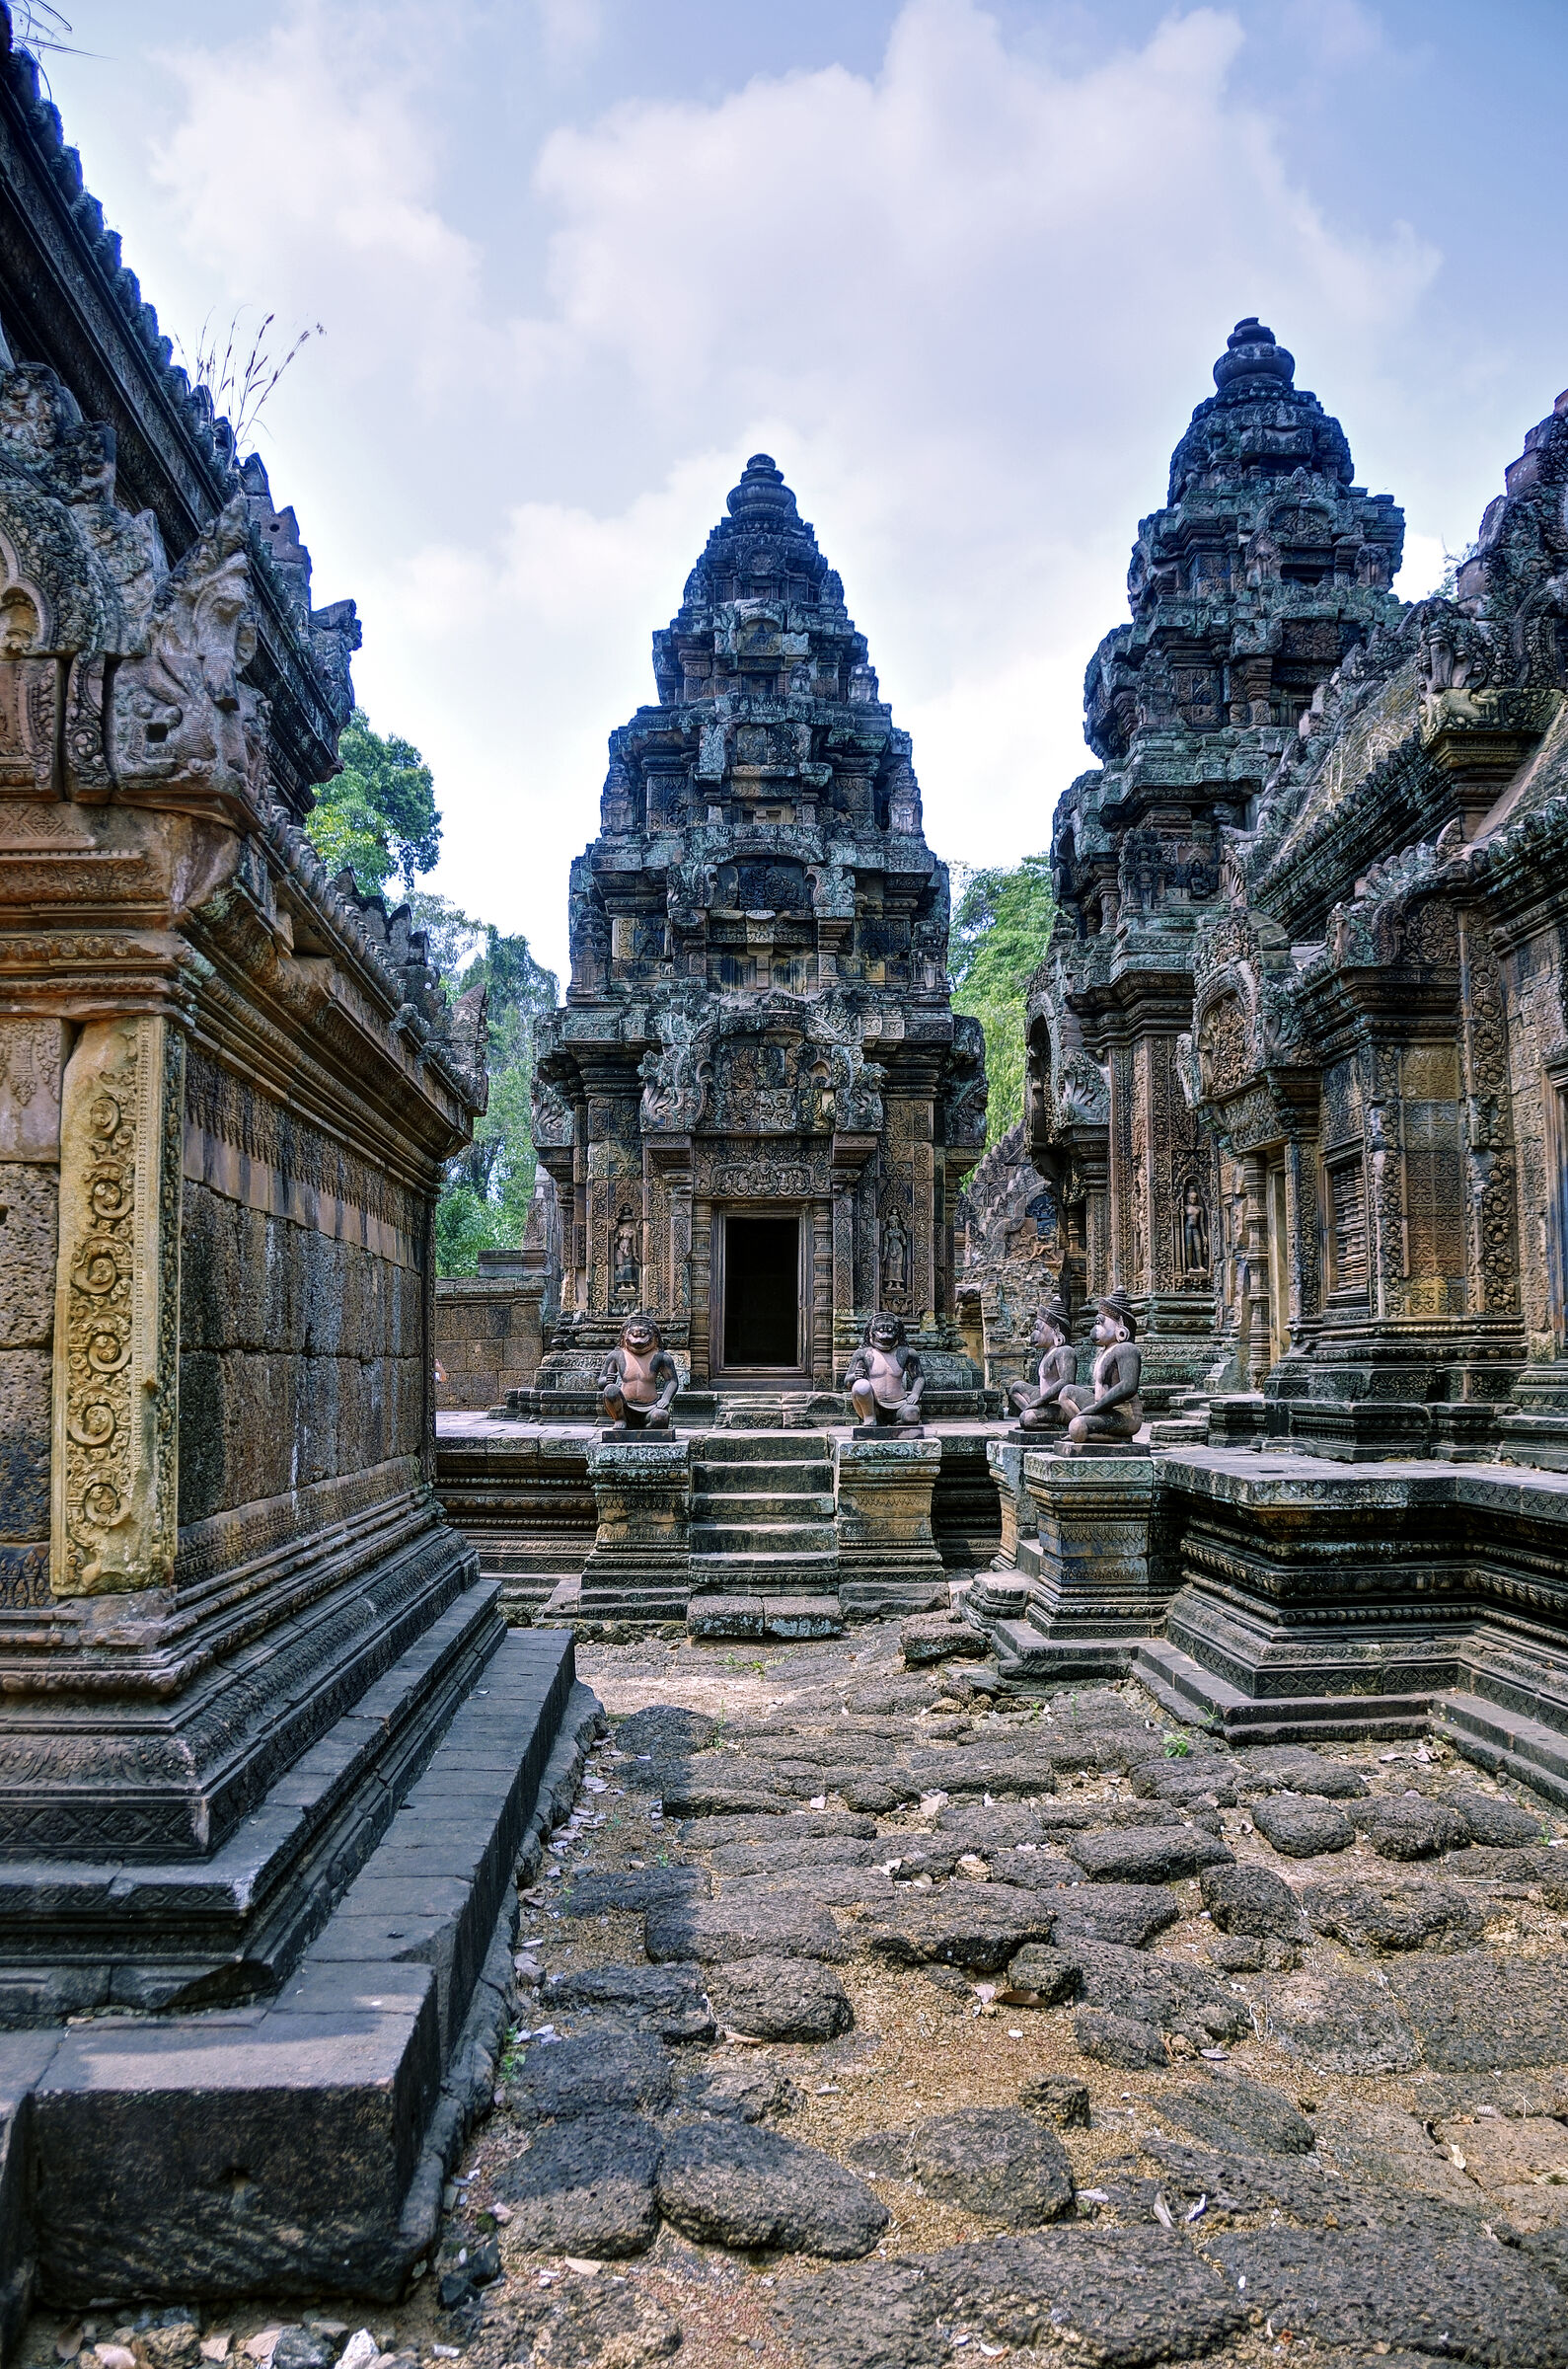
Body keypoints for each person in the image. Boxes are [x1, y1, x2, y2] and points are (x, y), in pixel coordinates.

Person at [1059, 1288, 1144, 1445]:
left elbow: (1129, 1387)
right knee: (1066, 1392)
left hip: (1124, 1414)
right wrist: (1095, 1408)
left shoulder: (1126, 1349)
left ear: (1120, 1326)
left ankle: (1113, 1436)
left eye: (1100, 1322)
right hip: (1104, 1408)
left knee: (1077, 1427)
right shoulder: (1104, 1351)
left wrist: (1095, 1409)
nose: (1095, 1328)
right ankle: (1091, 1431)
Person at [598, 1312, 680, 1437]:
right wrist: (606, 1381)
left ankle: (643, 1427)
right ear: (624, 1335)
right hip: (623, 1407)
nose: (638, 1341)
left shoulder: (661, 1357)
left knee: (661, 1417)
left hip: (651, 1408)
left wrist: (665, 1398)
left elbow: (672, 1380)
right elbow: (601, 1382)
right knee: (610, 1390)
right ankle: (620, 1419)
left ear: (654, 1337)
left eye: (643, 1335)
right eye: (634, 1335)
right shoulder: (616, 1355)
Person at [842, 1312, 925, 1435]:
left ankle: (897, 1425)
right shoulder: (863, 1353)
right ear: (871, 1332)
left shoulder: (907, 1353)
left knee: (913, 1414)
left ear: (898, 1332)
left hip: (899, 1404)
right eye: (881, 1332)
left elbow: (919, 1377)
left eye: (890, 1332)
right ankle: (870, 1418)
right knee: (861, 1385)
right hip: (873, 1406)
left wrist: (915, 1394)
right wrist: (855, 1377)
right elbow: (847, 1383)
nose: (886, 1337)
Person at [1008, 1301, 1077, 1429]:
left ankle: (1053, 1425)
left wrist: (1040, 1401)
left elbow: (1066, 1381)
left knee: (1027, 1418)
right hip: (1045, 1401)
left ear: (1055, 1330)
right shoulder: (1046, 1353)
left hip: (1060, 1405)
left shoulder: (1064, 1351)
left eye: (1038, 1328)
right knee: (1016, 1388)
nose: (1034, 1334)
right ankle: (1033, 1415)